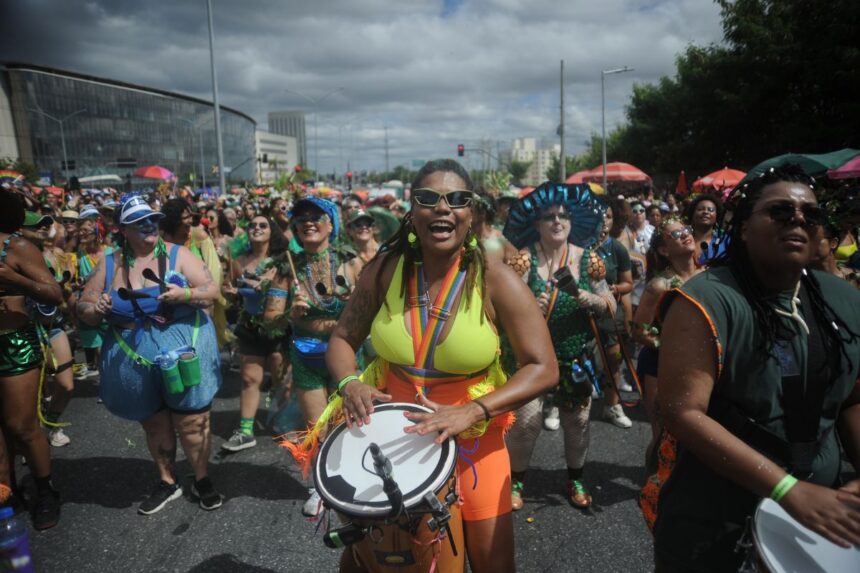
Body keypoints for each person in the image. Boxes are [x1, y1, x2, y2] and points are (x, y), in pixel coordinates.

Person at [317, 159, 557, 572]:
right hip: (392, 436)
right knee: (371, 559)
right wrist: (350, 383)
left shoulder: (496, 280)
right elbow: (342, 338)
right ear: (412, 211)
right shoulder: (384, 270)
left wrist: (473, 410)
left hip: (474, 438)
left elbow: (543, 367)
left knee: (491, 564)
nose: (442, 208)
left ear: (471, 213)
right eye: (428, 198)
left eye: (457, 199)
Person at [644, 166, 860, 571]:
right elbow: (682, 412)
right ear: (744, 227)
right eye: (780, 211)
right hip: (713, 515)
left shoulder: (841, 299)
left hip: (816, 514)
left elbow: (850, 398)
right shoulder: (705, 298)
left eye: (810, 214)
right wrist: (786, 489)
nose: (798, 219)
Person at [77, 194, 224, 514]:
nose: (148, 225)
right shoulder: (109, 263)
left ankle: (201, 479)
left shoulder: (178, 254)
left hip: (183, 349)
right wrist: (96, 307)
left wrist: (185, 293)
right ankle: (168, 481)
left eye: (152, 219)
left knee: (192, 420)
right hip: (133, 355)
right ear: (122, 229)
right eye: (138, 222)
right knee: (155, 424)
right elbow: (83, 308)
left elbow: (212, 290)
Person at [502, 183, 617, 512]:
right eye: (549, 216)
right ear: (537, 225)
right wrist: (529, 308)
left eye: (563, 215)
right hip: (530, 357)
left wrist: (585, 298)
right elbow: (504, 309)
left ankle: (576, 477)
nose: (557, 220)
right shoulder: (523, 261)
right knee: (527, 420)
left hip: (574, 355)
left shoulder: (589, 259)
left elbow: (610, 303)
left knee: (577, 420)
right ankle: (516, 480)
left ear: (572, 222)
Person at [267, 196, 352, 517]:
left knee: (348, 423)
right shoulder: (285, 267)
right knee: (316, 426)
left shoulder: (349, 263)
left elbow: (370, 309)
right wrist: (291, 311)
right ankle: (319, 487)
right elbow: (269, 318)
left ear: (331, 224)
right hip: (307, 357)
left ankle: (347, 477)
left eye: (317, 216)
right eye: (301, 217)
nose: (308, 222)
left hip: (346, 355)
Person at [0, 190, 64, 529]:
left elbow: (54, 293)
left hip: (14, 344)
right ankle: (6, 496)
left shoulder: (18, 247)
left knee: (22, 427)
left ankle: (46, 491)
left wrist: (15, 280)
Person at [631, 219, 700, 468]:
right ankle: (653, 486)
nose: (685, 235)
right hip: (660, 366)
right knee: (662, 432)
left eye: (686, 230)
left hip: (701, 364)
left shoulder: (709, 277)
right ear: (663, 250)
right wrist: (671, 347)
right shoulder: (660, 285)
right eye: (676, 234)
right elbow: (638, 331)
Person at [221, 214, 289, 452]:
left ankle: (287, 426)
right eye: (252, 225)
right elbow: (232, 289)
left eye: (263, 225)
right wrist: (231, 293)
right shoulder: (238, 261)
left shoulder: (281, 261)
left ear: (273, 231)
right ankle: (246, 431)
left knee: (280, 380)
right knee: (249, 379)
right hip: (249, 327)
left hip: (277, 328)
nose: (257, 228)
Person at [19, 211, 78, 448]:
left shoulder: (58, 256)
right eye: (36, 226)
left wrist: (66, 292)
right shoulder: (11, 256)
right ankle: (30, 438)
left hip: (54, 326)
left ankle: (51, 424)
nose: (43, 229)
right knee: (32, 393)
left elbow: (67, 291)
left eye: (46, 225)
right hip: (25, 330)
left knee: (66, 384)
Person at [594, 200, 634, 428]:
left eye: (608, 216)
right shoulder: (578, 246)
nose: (603, 220)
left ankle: (612, 406)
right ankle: (560, 406)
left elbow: (628, 283)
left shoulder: (617, 249)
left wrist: (615, 289)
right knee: (572, 360)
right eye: (599, 215)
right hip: (580, 312)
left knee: (613, 359)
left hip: (609, 311)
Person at [685, 193, 724, 263]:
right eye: (700, 209)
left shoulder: (725, 241)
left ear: (716, 217)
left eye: (711, 210)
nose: (706, 212)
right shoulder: (683, 240)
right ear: (692, 215)